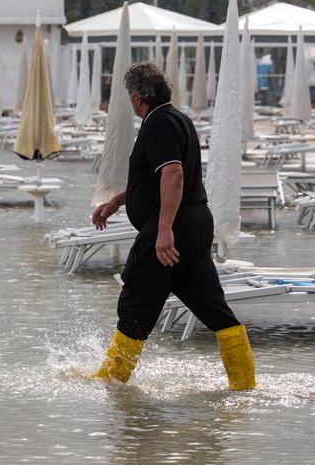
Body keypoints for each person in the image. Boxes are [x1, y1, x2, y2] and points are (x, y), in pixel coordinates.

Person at [89, 61, 255, 390]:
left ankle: (112, 381)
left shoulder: (157, 125)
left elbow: (174, 174)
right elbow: (155, 180)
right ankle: (244, 384)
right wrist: (115, 202)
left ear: (137, 98)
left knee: (135, 301)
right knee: (213, 308)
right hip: (196, 222)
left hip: (173, 226)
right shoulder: (180, 119)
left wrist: (164, 230)